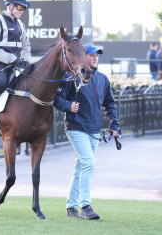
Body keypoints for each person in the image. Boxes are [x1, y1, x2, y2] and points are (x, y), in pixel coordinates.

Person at [54, 43, 121, 220]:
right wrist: (69, 106)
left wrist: (115, 125)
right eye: (91, 55)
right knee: (89, 163)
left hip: (94, 130)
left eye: (97, 55)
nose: (95, 58)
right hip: (75, 128)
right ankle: (86, 206)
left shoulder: (102, 79)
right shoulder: (70, 78)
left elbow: (110, 104)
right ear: (84, 56)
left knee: (81, 167)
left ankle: (71, 207)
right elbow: (57, 98)